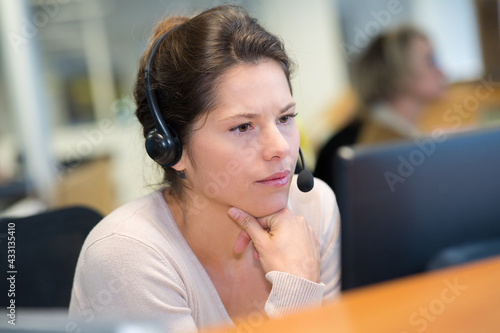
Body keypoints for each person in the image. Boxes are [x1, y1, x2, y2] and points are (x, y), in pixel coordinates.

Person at [69, 5, 340, 332]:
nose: (281, 148)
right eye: (243, 127)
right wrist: (297, 292)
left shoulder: (313, 208)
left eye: (284, 118)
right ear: (171, 148)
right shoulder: (127, 254)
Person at [314, 25, 445, 191]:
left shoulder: (396, 133)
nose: (441, 71)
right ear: (399, 72)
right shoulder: (367, 145)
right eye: (430, 60)